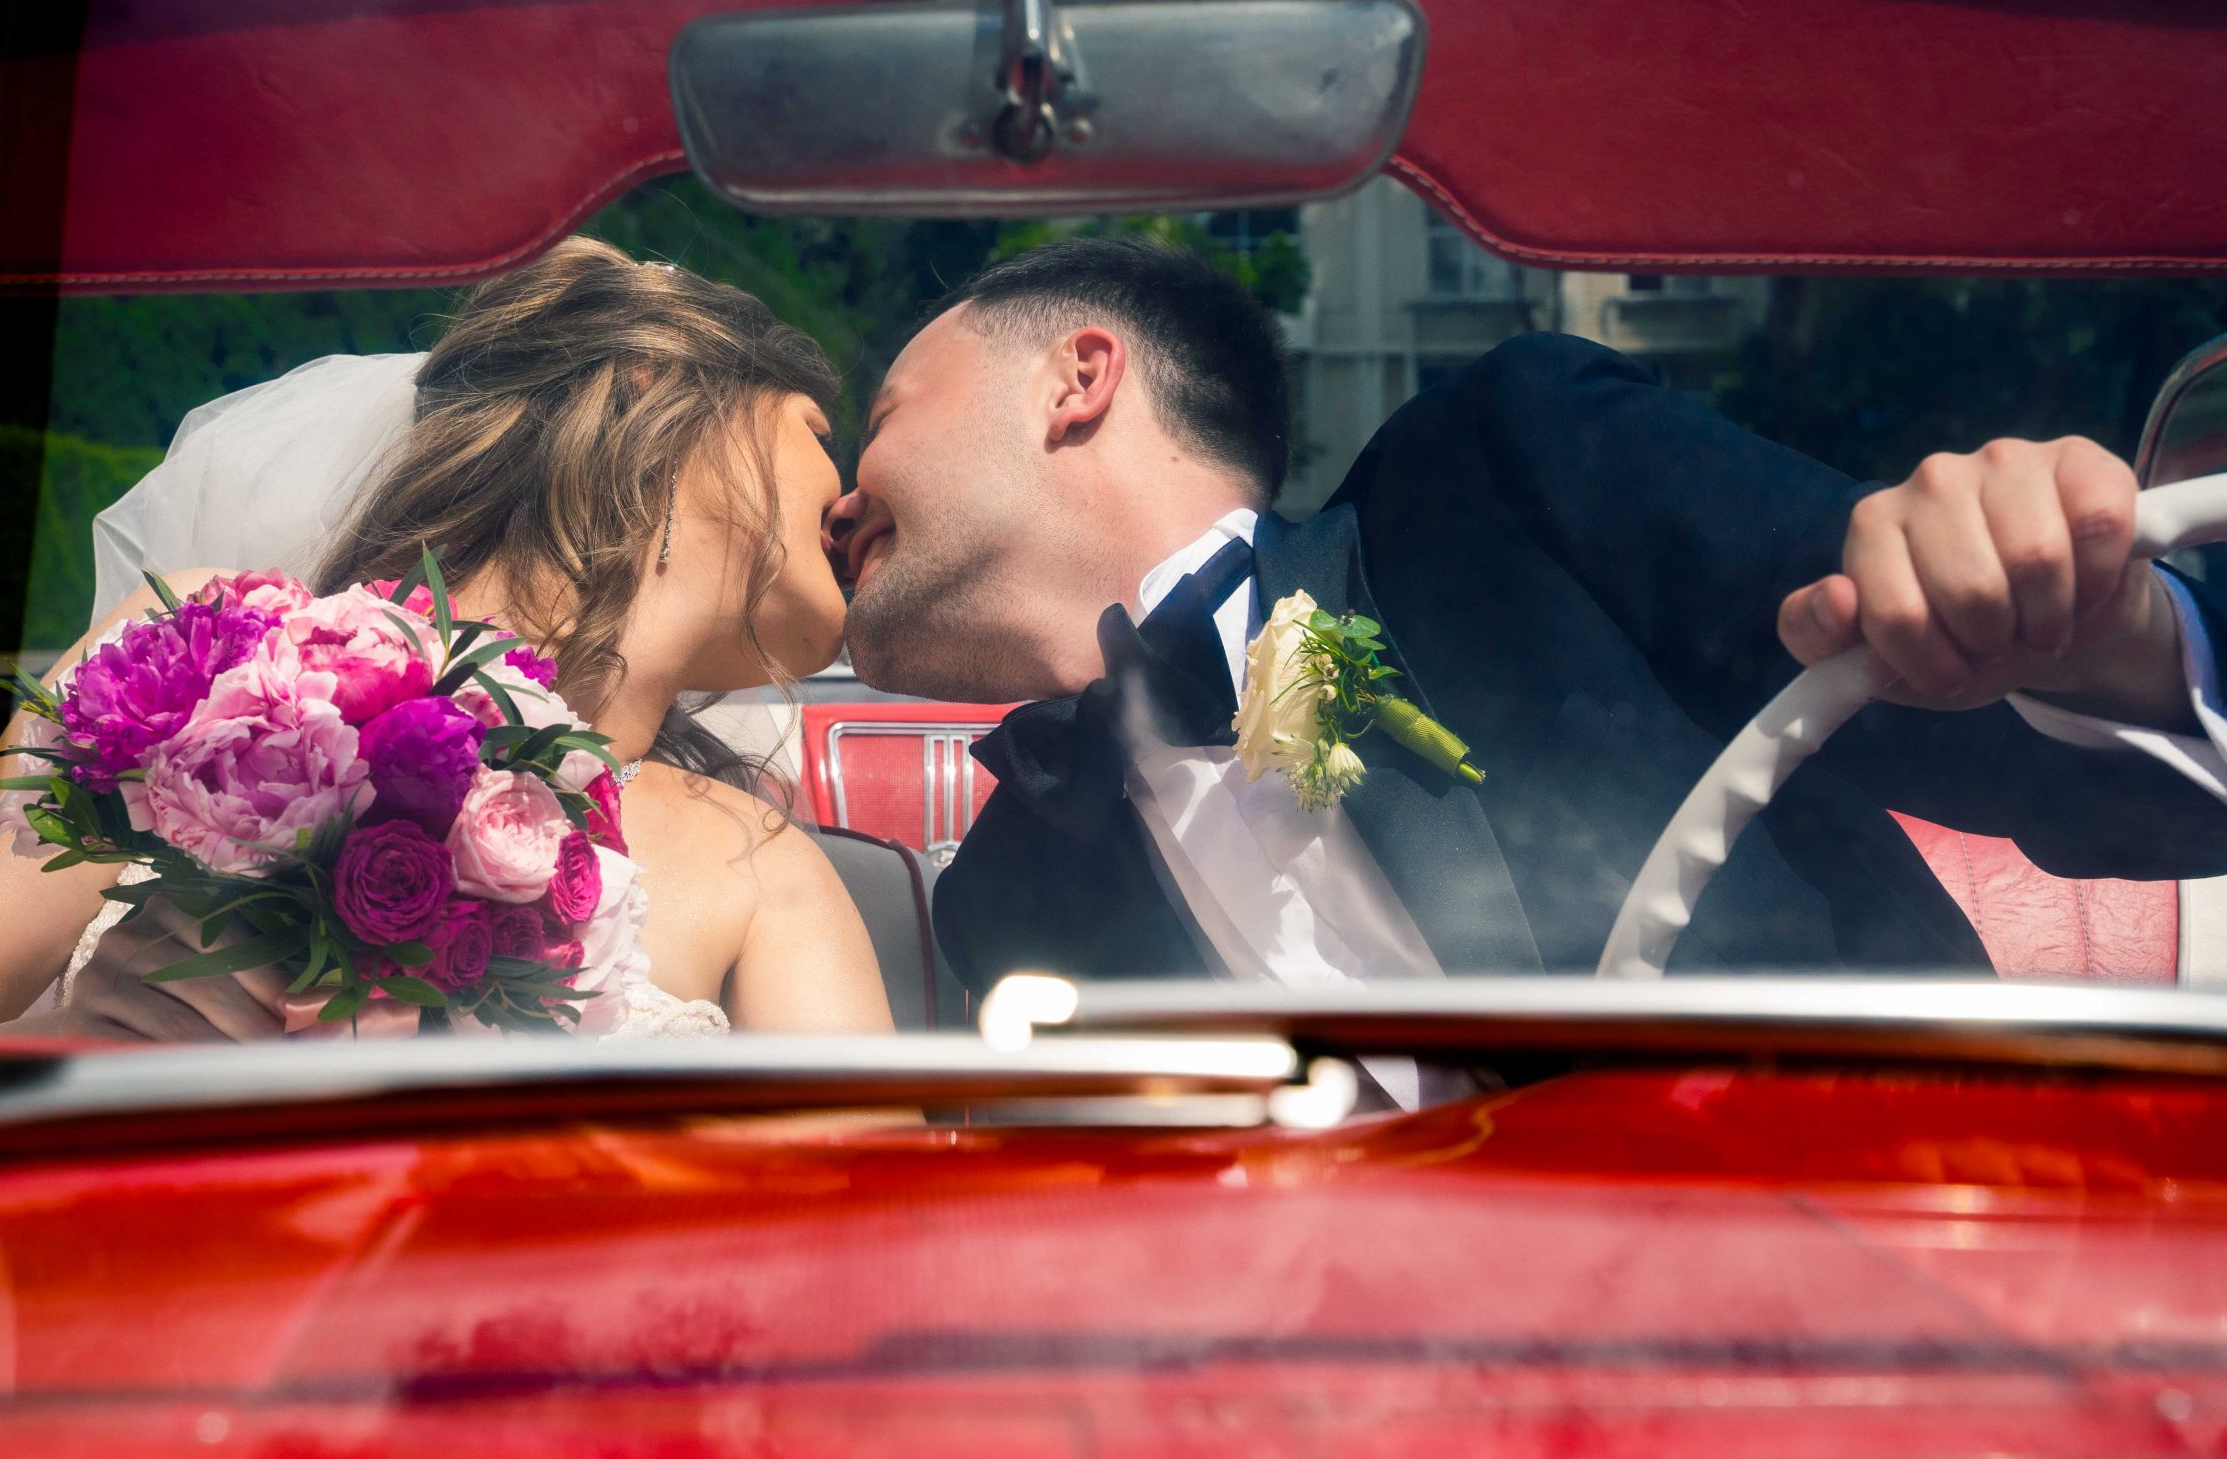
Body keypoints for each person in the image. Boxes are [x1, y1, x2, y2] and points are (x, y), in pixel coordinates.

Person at [827, 237, 2227, 1106]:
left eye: (880, 414)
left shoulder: (1501, 474)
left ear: (1077, 380)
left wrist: (2089, 631)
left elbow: (1976, 690)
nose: (840, 498)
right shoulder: (1004, 905)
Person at [0, 238, 895, 1040]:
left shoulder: (767, 870)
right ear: (648, 384)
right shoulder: (202, 654)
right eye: (819, 430)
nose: (850, 499)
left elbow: (861, 1250)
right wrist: (79, 1059)